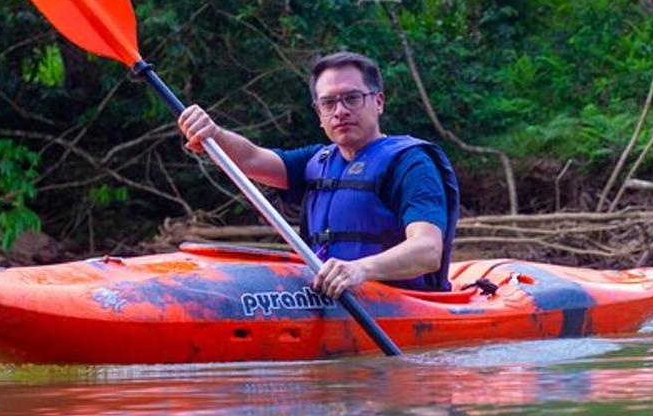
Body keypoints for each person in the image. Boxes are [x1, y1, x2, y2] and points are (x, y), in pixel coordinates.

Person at [178, 51, 459, 298]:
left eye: (352, 98)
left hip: (400, 304)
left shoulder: (411, 164)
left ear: (379, 102)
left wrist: (360, 269)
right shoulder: (316, 160)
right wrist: (214, 133)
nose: (340, 111)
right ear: (319, 113)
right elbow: (251, 158)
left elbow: (427, 250)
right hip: (327, 297)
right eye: (329, 103)